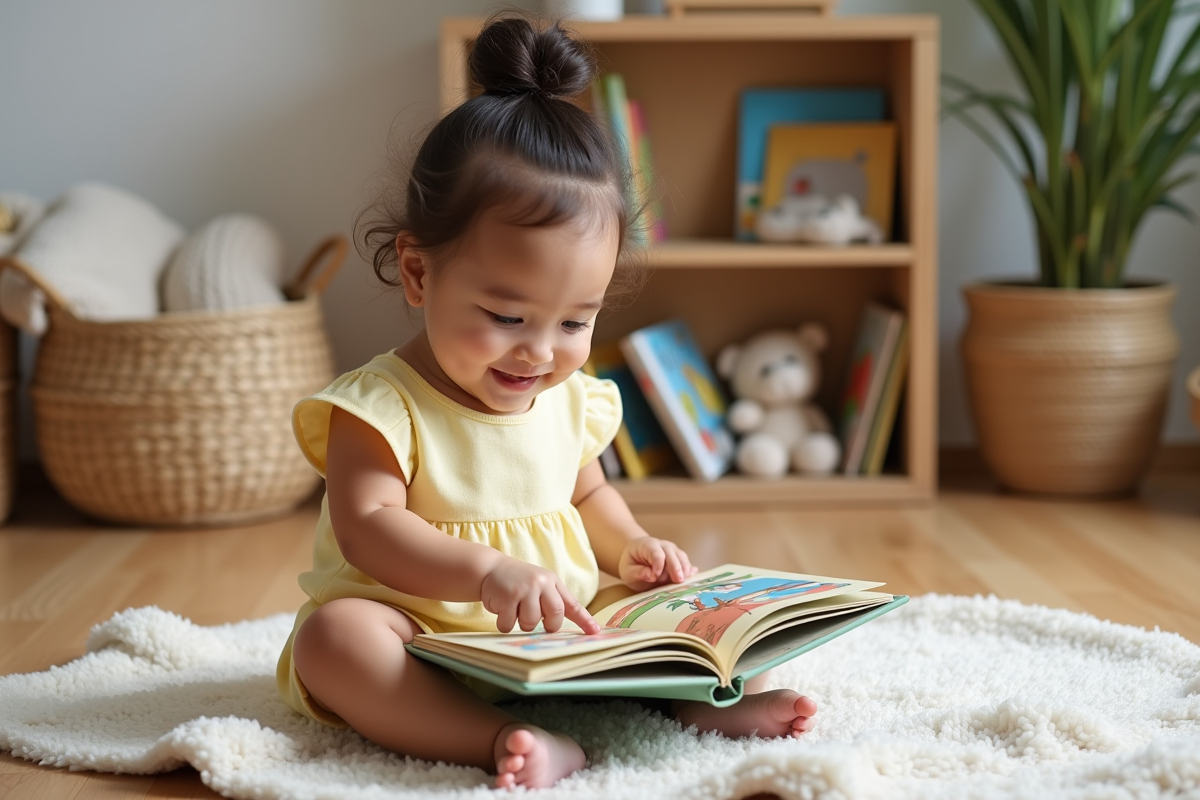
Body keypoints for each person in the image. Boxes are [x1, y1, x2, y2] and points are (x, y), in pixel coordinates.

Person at [275, 12, 818, 790]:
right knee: (335, 641)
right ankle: (494, 736)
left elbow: (588, 491)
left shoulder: (573, 398)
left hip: (562, 630)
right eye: (506, 317)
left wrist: (629, 546)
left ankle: (705, 704)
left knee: (702, 618)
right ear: (420, 274)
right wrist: (487, 571)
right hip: (425, 633)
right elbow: (369, 530)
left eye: (575, 320)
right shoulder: (379, 406)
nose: (540, 351)